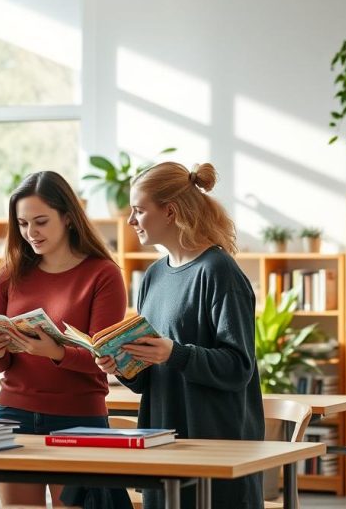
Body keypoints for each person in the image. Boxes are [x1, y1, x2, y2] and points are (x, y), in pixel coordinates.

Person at [96, 161, 264, 509]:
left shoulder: (219, 273)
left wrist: (174, 353)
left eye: (139, 210)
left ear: (170, 212)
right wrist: (122, 366)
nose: (130, 221)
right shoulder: (154, 276)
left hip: (214, 444)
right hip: (164, 441)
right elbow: (150, 379)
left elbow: (238, 367)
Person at [0, 170, 128, 507]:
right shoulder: (10, 272)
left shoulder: (102, 274)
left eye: (40, 221)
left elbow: (102, 360)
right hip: (13, 414)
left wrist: (56, 353)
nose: (30, 233)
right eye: (22, 224)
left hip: (78, 417)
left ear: (67, 217)